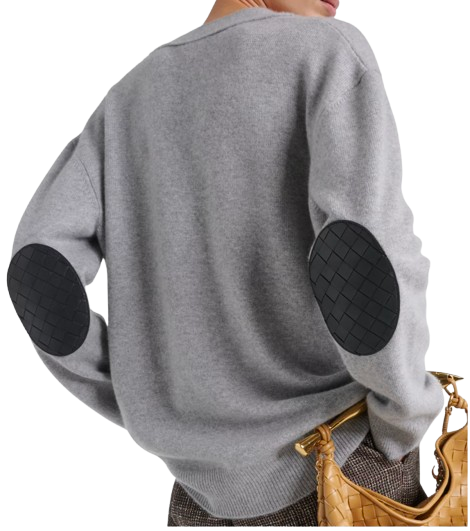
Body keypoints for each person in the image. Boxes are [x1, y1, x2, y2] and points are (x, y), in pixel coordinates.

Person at [5, 0, 444, 527]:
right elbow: (364, 254)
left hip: (199, 497)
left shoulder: (129, 96)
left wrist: (142, 402)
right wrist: (403, 415)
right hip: (342, 468)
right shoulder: (327, 52)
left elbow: (38, 271)